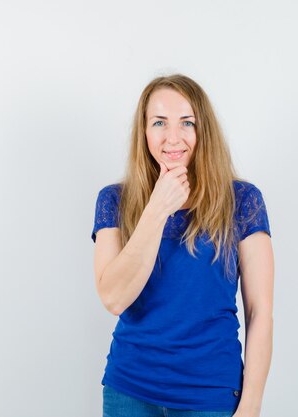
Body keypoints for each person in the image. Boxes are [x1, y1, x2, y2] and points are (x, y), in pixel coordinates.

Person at [91, 74, 274, 417]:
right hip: (129, 391)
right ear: (144, 131)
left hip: (211, 395)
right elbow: (114, 298)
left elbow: (259, 311)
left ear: (203, 130)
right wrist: (157, 208)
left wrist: (251, 404)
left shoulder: (243, 201)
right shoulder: (114, 201)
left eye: (186, 123)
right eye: (159, 122)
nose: (172, 138)